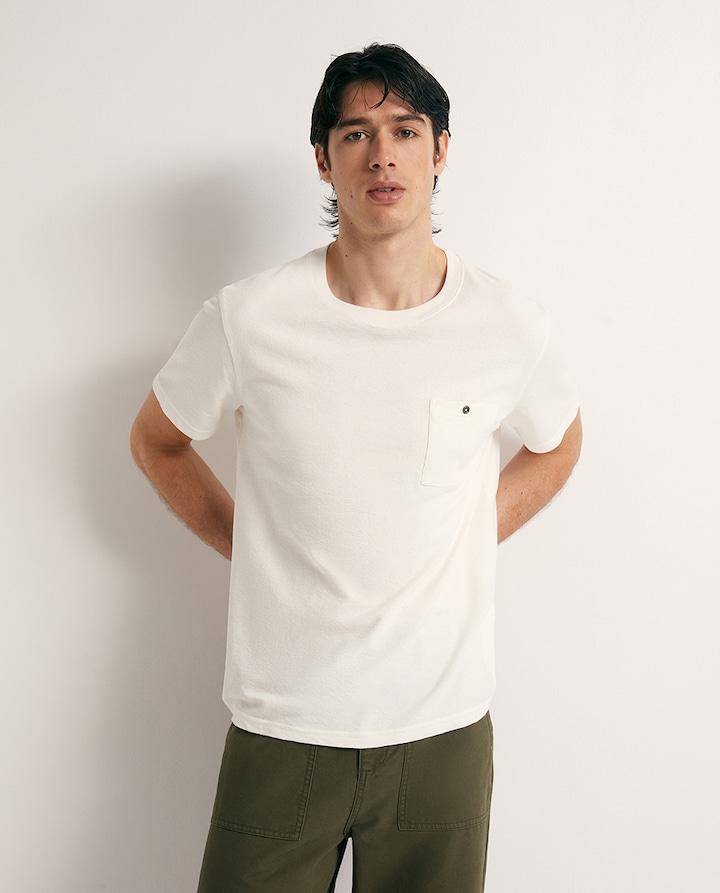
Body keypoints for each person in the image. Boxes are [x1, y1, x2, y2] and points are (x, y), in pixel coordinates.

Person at [130, 43, 582, 893]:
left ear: (440, 150)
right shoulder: (250, 318)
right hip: (285, 725)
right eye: (356, 133)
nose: (382, 154)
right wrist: (250, 542)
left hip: (443, 730)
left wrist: (468, 532)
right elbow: (157, 438)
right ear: (323, 158)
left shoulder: (507, 323)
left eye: (406, 130)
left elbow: (559, 440)